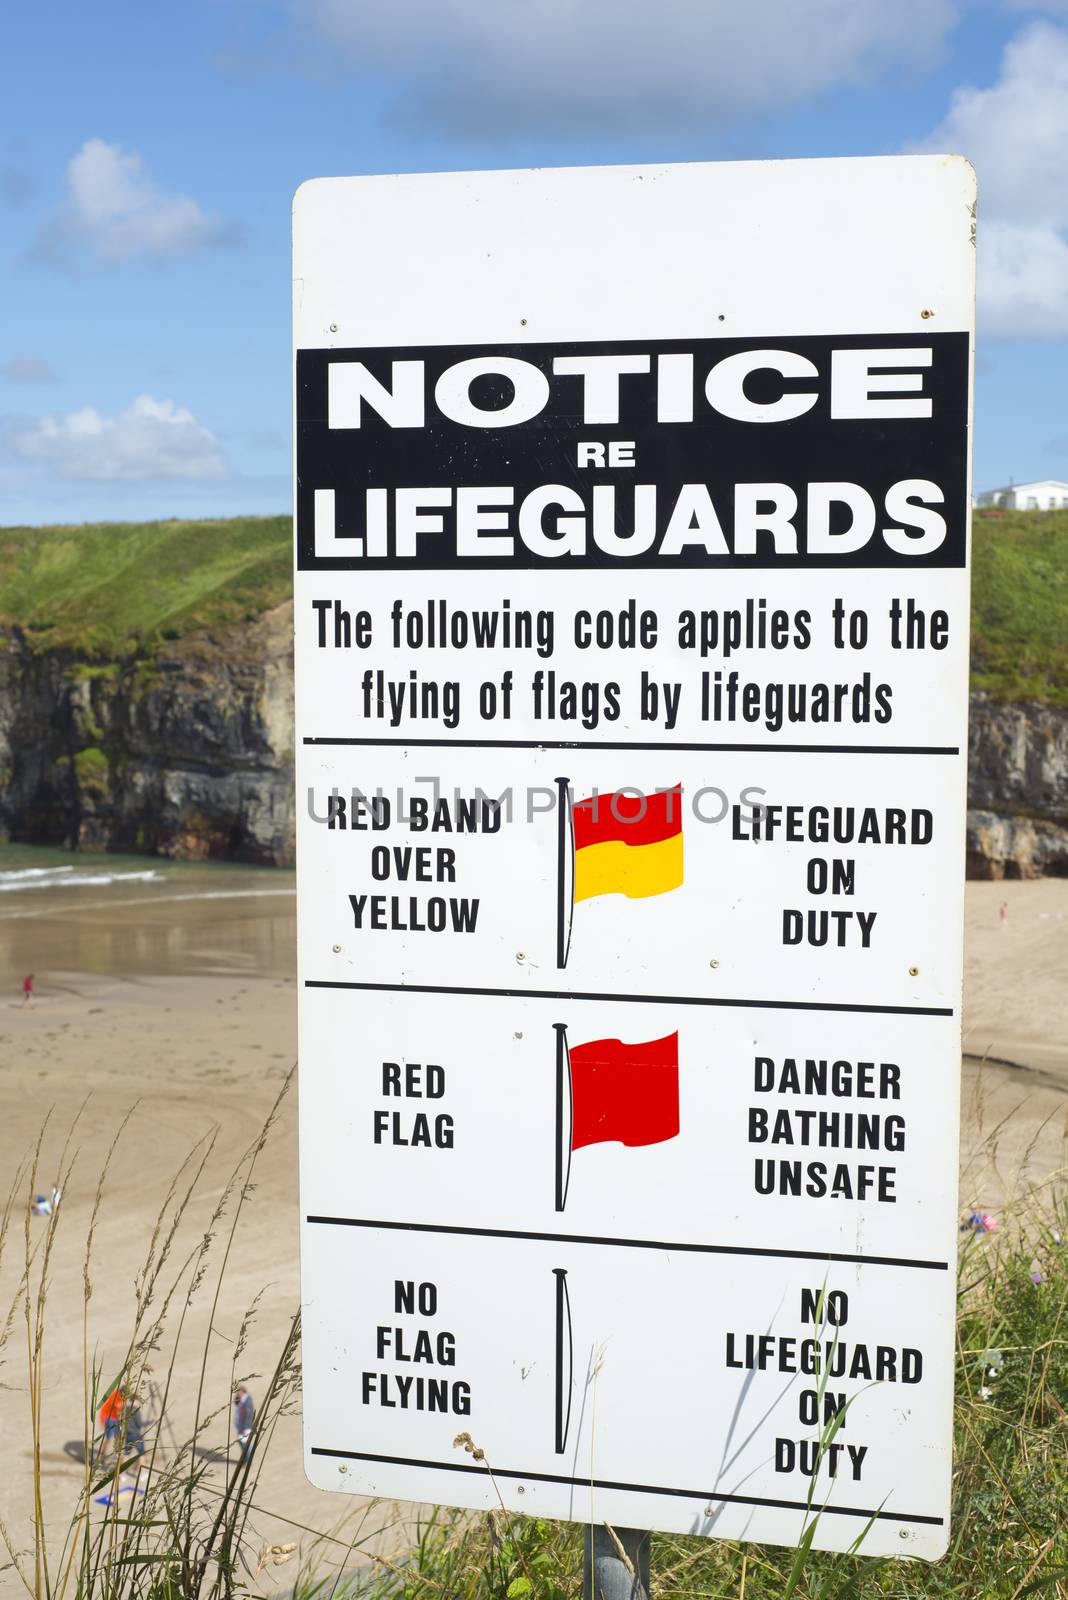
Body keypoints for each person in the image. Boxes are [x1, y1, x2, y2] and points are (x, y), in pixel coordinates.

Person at [233, 1385, 254, 1463]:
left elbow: (248, 1415)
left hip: (245, 1427)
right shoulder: (242, 1399)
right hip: (241, 1426)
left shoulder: (247, 1400)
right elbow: (236, 1404)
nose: (237, 1394)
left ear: (243, 1392)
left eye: (238, 1392)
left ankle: (248, 1460)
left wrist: (244, 1428)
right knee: (242, 1442)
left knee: (246, 1444)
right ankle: (245, 1459)